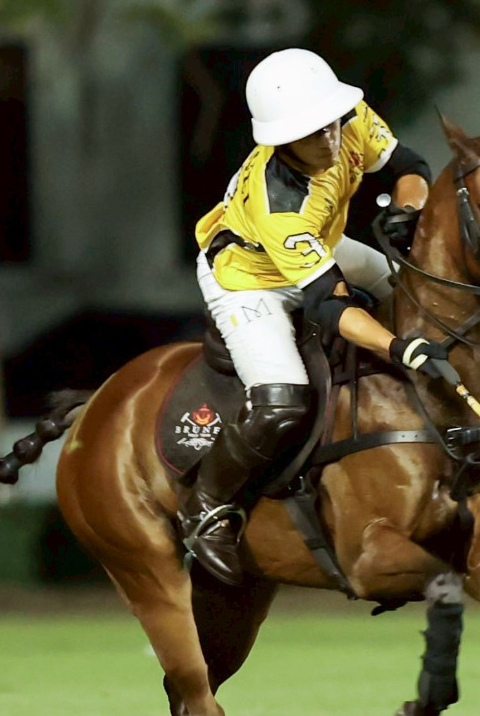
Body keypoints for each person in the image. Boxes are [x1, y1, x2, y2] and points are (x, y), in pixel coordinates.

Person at [182, 48, 449, 585]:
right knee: (282, 400)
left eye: (329, 124)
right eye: (310, 134)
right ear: (281, 140)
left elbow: (410, 167)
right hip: (248, 276)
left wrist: (408, 209)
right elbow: (330, 304)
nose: (328, 139)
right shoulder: (278, 201)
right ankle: (205, 508)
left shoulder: (346, 117)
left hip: (322, 245)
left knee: (422, 298)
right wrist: (397, 347)